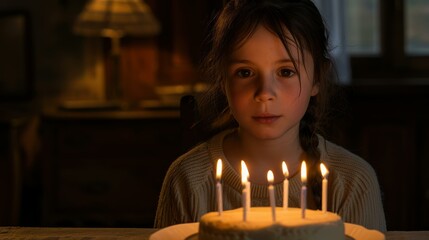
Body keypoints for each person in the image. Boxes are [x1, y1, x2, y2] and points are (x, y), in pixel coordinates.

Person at [154, 0, 387, 232]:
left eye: (286, 71)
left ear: (317, 77)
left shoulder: (353, 182)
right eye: (245, 72)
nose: (265, 93)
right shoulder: (188, 180)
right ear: (223, 79)